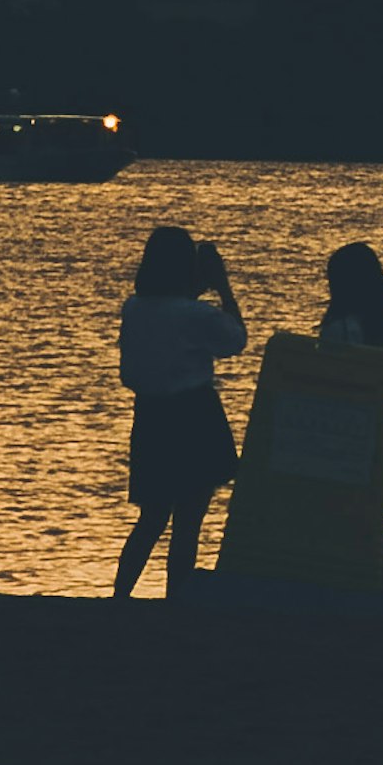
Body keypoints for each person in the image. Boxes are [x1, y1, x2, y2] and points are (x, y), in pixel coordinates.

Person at [112, 227, 245, 599]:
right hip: (193, 416)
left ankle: (120, 596)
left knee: (152, 518)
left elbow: (172, 311)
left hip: (151, 418)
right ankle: (177, 600)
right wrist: (222, 287)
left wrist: (197, 289)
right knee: (188, 520)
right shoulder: (196, 313)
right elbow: (235, 339)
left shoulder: (134, 308)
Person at [316, 244, 383, 600]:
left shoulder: (340, 328)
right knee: (374, 525)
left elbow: (330, 377)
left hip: (344, 429)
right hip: (379, 426)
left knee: (343, 519)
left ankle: (361, 596)